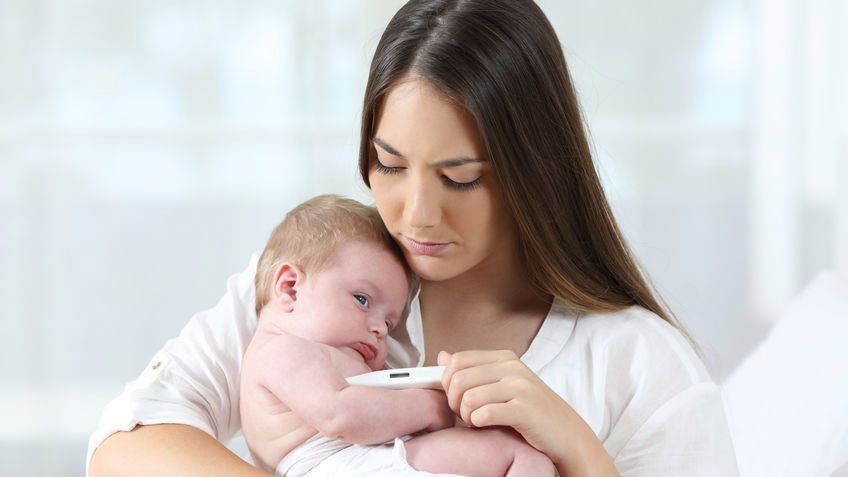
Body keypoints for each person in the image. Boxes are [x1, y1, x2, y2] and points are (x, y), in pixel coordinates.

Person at [88, 1, 739, 476]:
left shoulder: (639, 362)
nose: (417, 215)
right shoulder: (324, 286)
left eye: (460, 178)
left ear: (533, 171)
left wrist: (578, 449)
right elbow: (123, 447)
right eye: (390, 165)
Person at [241, 194, 554, 476]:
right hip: (333, 464)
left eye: (389, 323)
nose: (380, 330)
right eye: (362, 299)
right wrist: (431, 407)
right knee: (515, 455)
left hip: (371, 456)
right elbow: (340, 416)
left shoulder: (325, 351)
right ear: (290, 288)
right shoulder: (278, 351)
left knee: (521, 455)